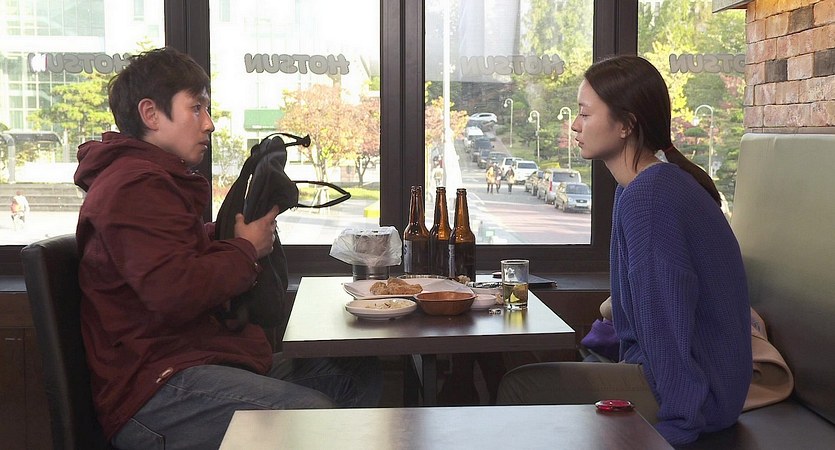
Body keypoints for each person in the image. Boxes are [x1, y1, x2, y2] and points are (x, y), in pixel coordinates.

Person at [73, 47, 382, 449]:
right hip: (154, 392)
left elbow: (172, 256)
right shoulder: (134, 185)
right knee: (310, 417)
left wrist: (224, 236)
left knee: (355, 372)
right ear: (151, 114)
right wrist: (245, 248)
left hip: (190, 361)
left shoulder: (150, 180)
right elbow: (174, 290)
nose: (210, 124)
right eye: (196, 108)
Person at [497, 55, 751, 446]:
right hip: (689, 381)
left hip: (698, 395)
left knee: (519, 387)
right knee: (515, 364)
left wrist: (678, 426)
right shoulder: (639, 187)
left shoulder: (649, 197)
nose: (575, 124)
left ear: (626, 125)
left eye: (585, 113)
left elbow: (666, 320)